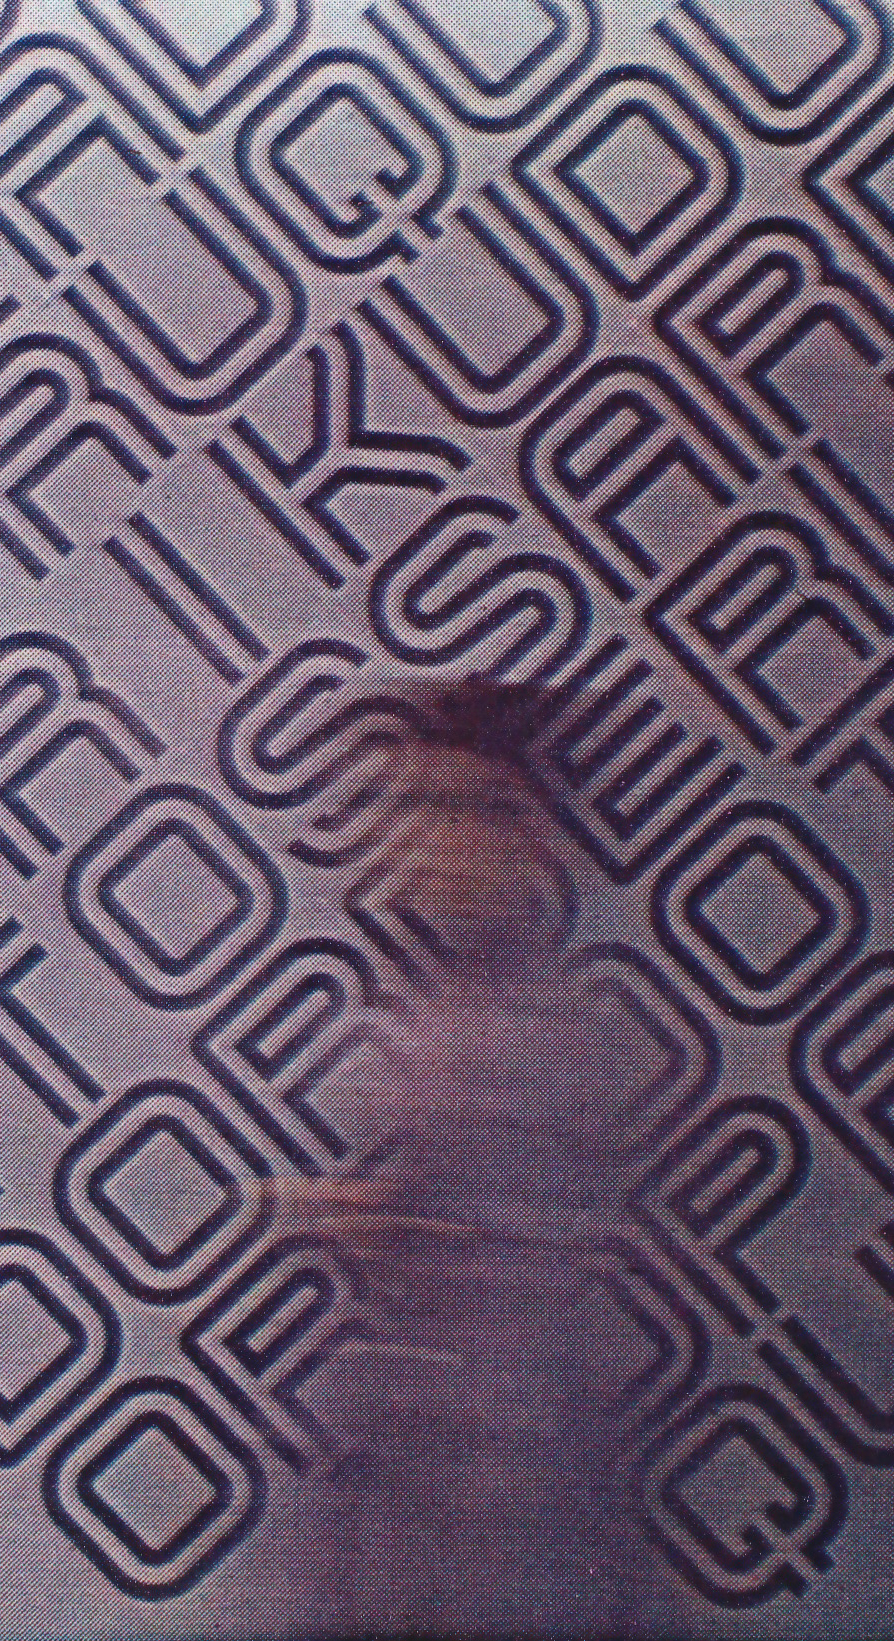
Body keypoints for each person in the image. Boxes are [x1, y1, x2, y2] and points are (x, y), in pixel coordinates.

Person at [272, 677, 656, 1638]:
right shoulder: (460, 1001)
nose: (431, 845)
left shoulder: (556, 1026)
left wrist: (377, 1218)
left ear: (529, 829)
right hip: (424, 1457)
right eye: (413, 809)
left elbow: (536, 1250)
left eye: (460, 809)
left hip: (507, 1474)